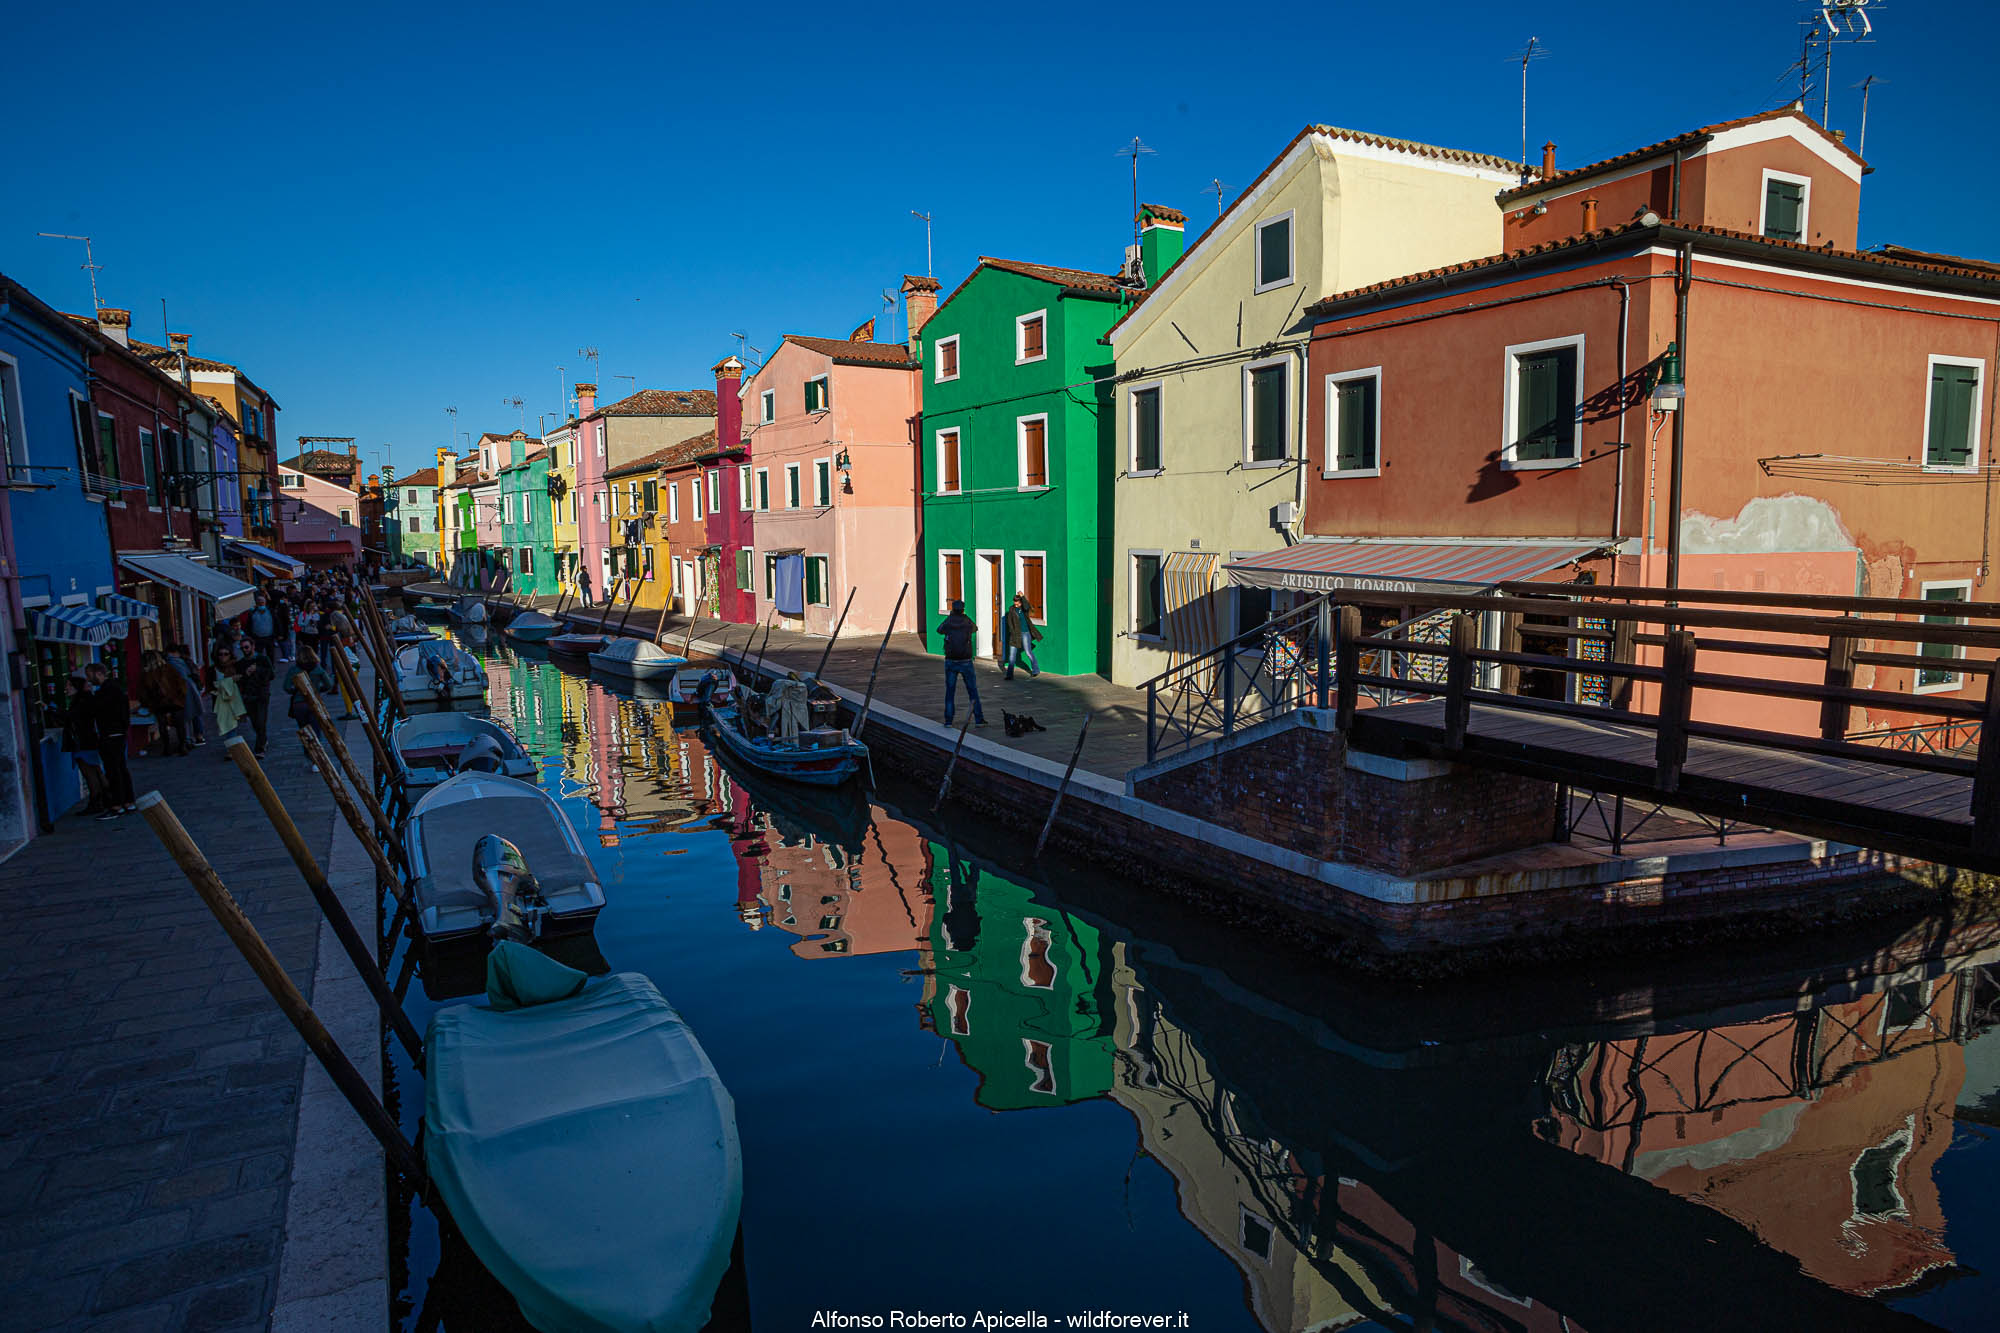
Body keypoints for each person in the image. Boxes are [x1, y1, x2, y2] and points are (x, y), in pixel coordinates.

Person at [86, 664, 136, 817]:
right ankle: (128, 801)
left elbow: (96, 709)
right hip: (118, 733)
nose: (88, 679)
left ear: (99, 673)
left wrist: (89, 696)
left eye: (89, 675)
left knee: (114, 771)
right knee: (121, 768)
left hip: (111, 734)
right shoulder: (116, 689)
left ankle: (117, 804)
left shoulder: (106, 691)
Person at [60, 674, 109, 815]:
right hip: (90, 740)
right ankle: (107, 798)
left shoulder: (81, 702)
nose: (66, 688)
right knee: (96, 771)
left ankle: (96, 801)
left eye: (69, 685)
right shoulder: (87, 700)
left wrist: (49, 709)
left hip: (84, 742)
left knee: (89, 773)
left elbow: (70, 717)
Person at [936, 599, 986, 727]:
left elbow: (939, 630)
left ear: (953, 609)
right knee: (972, 690)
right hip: (966, 660)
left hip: (951, 661)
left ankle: (948, 721)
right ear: (963, 609)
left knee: (950, 691)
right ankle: (979, 720)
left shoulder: (949, 621)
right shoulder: (967, 621)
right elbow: (975, 628)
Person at [137, 650, 190, 756]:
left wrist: (146, 703)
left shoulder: (146, 675)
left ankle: (167, 748)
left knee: (162, 725)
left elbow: (143, 693)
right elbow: (181, 684)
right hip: (175, 701)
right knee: (180, 725)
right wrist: (181, 697)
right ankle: (182, 745)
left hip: (159, 704)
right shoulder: (168, 669)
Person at [235, 641, 274, 756]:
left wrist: (258, 670)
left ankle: (260, 748)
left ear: (253, 646)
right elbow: (240, 681)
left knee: (261, 721)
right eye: (242, 648)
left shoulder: (263, 659)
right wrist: (245, 674)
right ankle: (263, 739)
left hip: (262, 694)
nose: (244, 650)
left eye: (246, 647)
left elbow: (271, 675)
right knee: (255, 722)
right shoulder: (240, 664)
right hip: (248, 695)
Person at [165, 643, 207, 748]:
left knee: (186, 716)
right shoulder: (185, 660)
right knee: (195, 713)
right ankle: (198, 736)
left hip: (184, 690)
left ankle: (188, 739)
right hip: (193, 688)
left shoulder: (171, 662)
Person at [1002, 593, 1043, 681]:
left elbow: (1027, 606)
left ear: (1020, 602)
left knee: (1028, 652)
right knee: (1012, 656)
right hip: (1015, 635)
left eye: (1018, 603)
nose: (1016, 605)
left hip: (1025, 633)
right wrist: (1013, 632)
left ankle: (1036, 670)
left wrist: (1023, 596)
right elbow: (1010, 622)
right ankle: (1009, 675)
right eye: (1015, 603)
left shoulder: (1024, 609)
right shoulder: (1011, 609)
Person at [247, 593, 277, 661]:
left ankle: (271, 668)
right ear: (256, 603)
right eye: (259, 602)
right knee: (258, 654)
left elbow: (277, 622)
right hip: (257, 638)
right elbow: (248, 625)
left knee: (271, 654)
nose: (261, 604)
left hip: (269, 637)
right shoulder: (252, 613)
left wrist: (278, 634)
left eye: (262, 602)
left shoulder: (270, 611)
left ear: (265, 602)